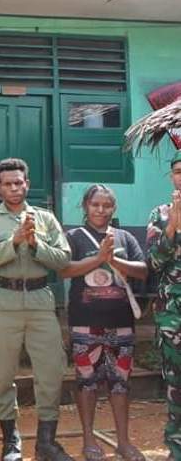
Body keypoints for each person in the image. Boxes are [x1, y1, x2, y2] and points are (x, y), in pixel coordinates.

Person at [0, 158, 73, 461]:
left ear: (27, 184)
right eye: (8, 184)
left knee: (51, 372)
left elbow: (63, 259)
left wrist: (36, 244)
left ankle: (46, 443)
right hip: (3, 303)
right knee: (1, 373)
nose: (14, 188)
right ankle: (10, 442)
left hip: (40, 301)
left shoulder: (45, 219)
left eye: (19, 182)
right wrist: (13, 243)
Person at [60, 185, 148, 461]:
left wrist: (114, 260)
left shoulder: (124, 237)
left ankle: (123, 442)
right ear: (85, 206)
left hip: (121, 322)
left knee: (120, 383)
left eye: (107, 205)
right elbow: (63, 269)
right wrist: (98, 259)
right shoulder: (73, 237)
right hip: (84, 323)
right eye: (95, 204)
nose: (101, 210)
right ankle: (89, 440)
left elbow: (143, 271)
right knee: (86, 382)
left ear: (114, 208)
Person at [146, 149, 181, 460]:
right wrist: (172, 225)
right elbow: (154, 263)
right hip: (173, 315)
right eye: (179, 171)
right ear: (172, 176)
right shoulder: (159, 214)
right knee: (176, 386)